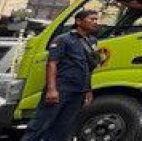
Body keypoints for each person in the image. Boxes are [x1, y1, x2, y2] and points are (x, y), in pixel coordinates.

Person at [22, 9, 102, 141]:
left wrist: (88, 90)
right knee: (40, 125)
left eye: (96, 19)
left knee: (63, 128)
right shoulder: (63, 39)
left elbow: (88, 68)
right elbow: (52, 64)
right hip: (61, 89)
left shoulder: (92, 41)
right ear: (78, 21)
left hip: (78, 91)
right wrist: (52, 89)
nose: (95, 22)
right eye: (92, 19)